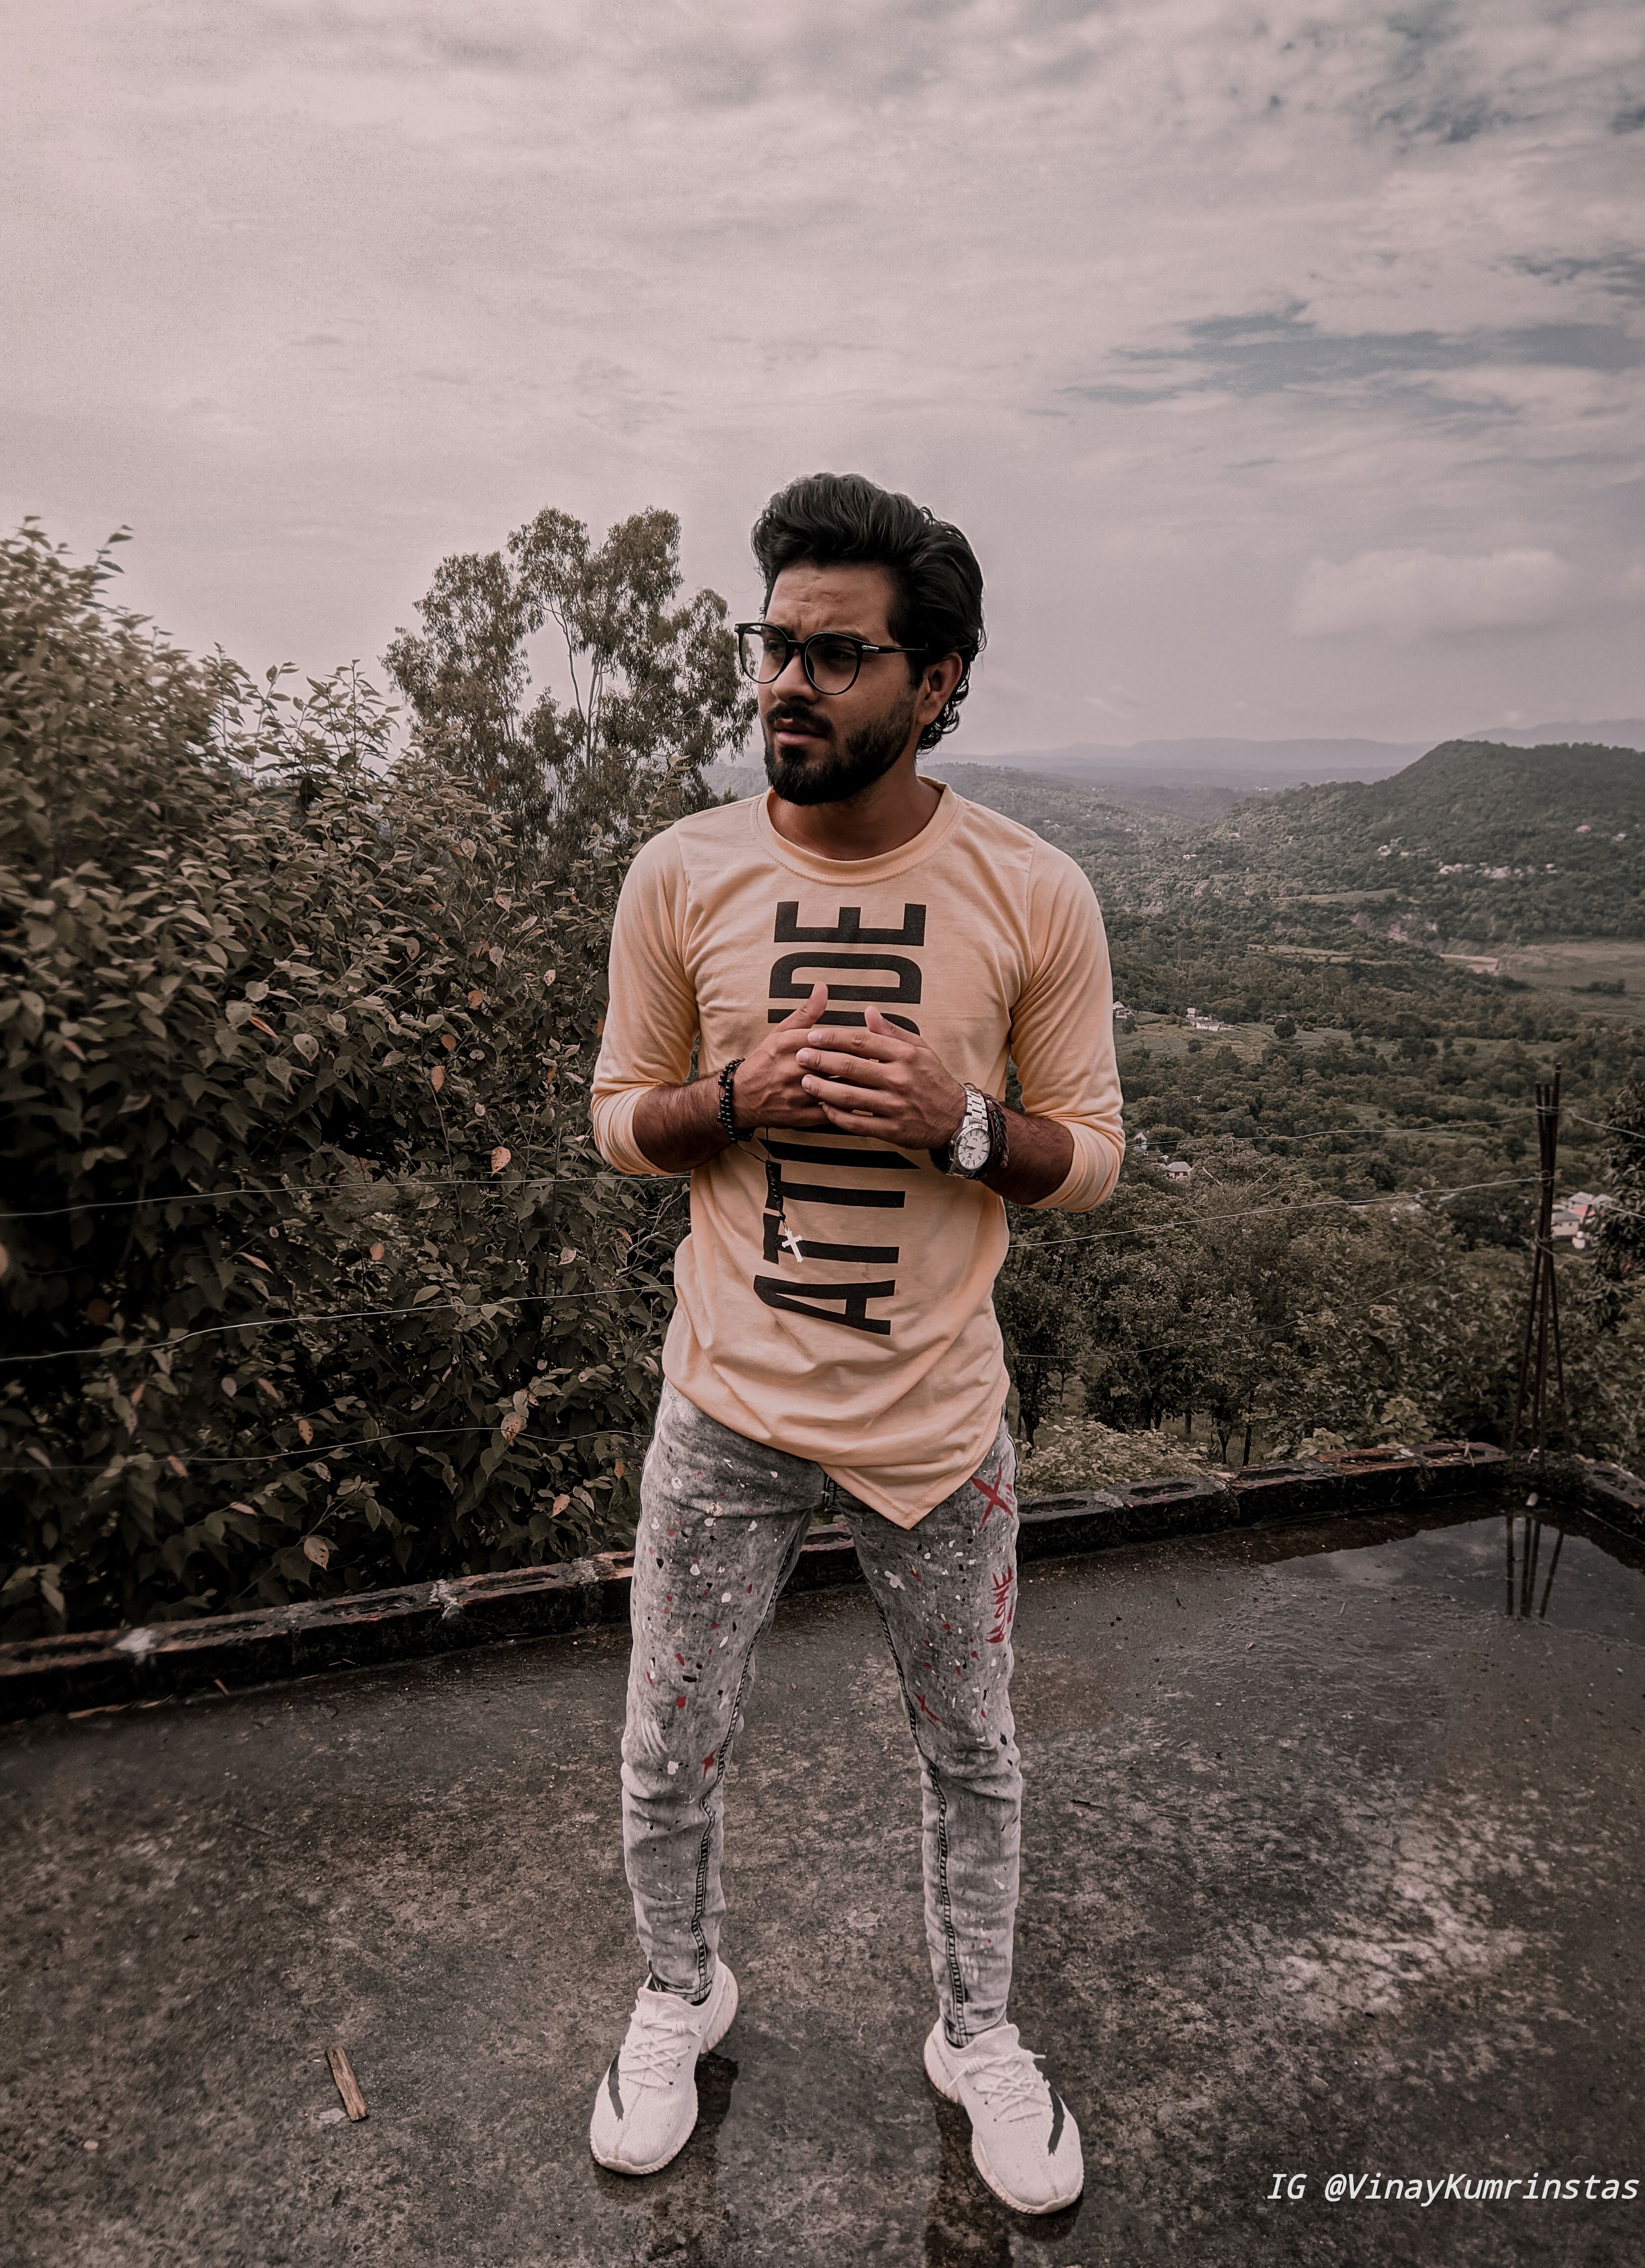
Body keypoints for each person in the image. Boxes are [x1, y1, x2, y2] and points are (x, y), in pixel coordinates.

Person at [587, 472, 1123, 2216]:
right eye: (771, 646)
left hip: (937, 1424)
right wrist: (732, 1101)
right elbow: (618, 1117)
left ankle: (979, 2033)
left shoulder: (1033, 891)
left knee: (973, 1750)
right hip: (723, 1406)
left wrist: (958, 1123)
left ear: (938, 680)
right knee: (669, 1742)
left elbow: (1092, 1157)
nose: (784, 686)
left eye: (834, 655)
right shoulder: (681, 874)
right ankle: (680, 1992)